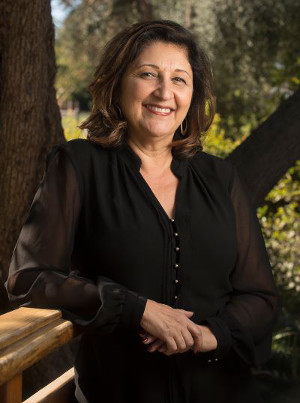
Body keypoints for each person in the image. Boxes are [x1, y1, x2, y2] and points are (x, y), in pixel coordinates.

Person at [6, 20, 279, 403]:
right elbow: (28, 278)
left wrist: (210, 334)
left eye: (179, 79)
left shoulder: (222, 177)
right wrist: (136, 309)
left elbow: (260, 296)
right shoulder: (79, 164)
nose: (164, 92)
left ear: (192, 94)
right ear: (119, 83)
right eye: (148, 74)